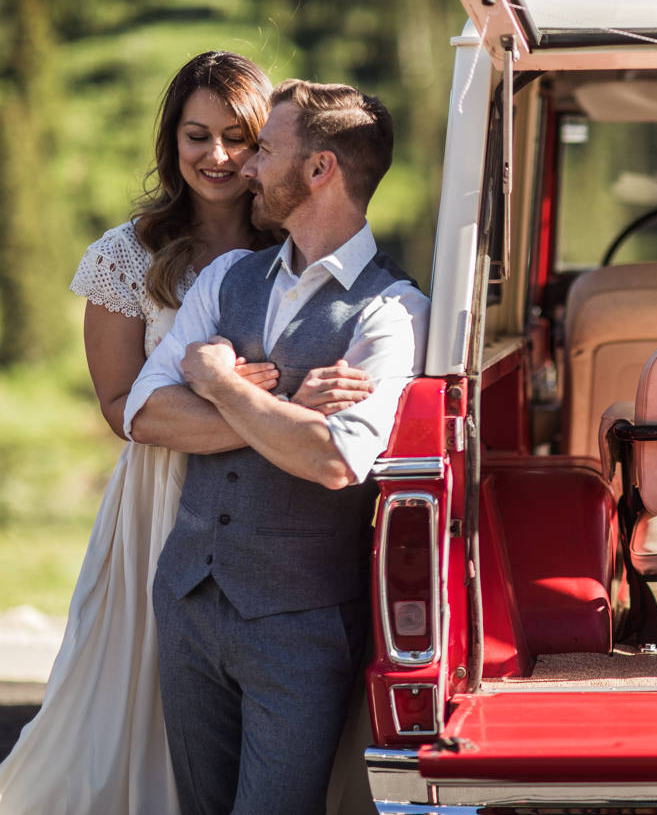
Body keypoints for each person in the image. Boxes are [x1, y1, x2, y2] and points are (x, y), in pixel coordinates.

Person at [0, 52, 375, 815]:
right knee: (136, 693)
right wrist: (273, 410)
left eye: (240, 137)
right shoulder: (124, 256)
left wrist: (260, 408)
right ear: (171, 142)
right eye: (196, 136)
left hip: (280, 511)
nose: (218, 156)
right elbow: (119, 405)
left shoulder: (302, 250)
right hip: (160, 498)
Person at [123, 78, 428, 814]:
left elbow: (334, 458)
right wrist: (287, 410)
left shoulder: (394, 311)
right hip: (189, 599)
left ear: (320, 170)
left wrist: (221, 383)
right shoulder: (229, 276)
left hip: (302, 622)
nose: (248, 167)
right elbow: (144, 411)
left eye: (265, 149)